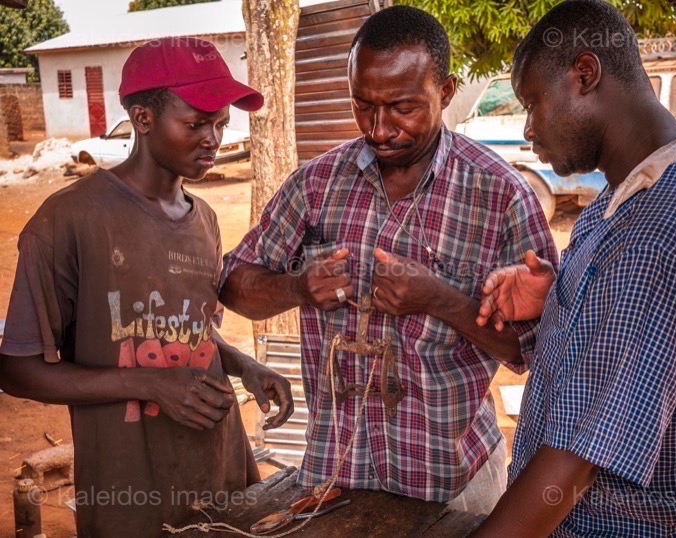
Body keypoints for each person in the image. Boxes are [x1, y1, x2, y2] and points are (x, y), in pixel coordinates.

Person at [219, 6, 558, 515]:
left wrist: (438, 298)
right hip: (337, 477)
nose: (379, 128)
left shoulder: (501, 195)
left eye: (402, 107)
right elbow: (232, 284)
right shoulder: (316, 185)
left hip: (454, 485)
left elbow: (538, 352)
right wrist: (296, 289)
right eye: (362, 106)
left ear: (445, 92)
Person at [473, 1, 676, 535]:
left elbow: (577, 459)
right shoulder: (647, 183)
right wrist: (562, 299)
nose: (529, 130)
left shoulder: (662, 227)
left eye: (533, 103)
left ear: (584, 74)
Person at [0, 38, 294, 536]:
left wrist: (242, 363)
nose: (213, 139)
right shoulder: (69, 221)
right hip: (128, 493)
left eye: (221, 123)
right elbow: (17, 371)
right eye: (197, 123)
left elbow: (188, 332)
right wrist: (146, 382)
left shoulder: (202, 218)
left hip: (219, 468)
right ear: (142, 118)